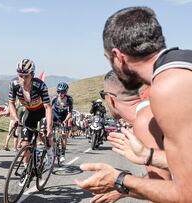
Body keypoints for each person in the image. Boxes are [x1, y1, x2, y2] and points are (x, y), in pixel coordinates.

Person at [75, 7, 192, 202]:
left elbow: (187, 194)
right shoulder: (182, 64)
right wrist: (149, 156)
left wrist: (119, 180)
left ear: (119, 57)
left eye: (109, 60)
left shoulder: (168, 86)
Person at [91, 70, 171, 203]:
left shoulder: (143, 121)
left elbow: (162, 185)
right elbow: (169, 171)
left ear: (110, 98)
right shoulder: (150, 109)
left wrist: (121, 185)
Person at [8, 59, 54, 170]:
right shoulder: (14, 84)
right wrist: (16, 119)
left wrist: (49, 127)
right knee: (25, 143)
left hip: (42, 112)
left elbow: (48, 107)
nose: (23, 79)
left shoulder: (40, 86)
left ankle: (50, 153)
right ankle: (27, 167)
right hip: (29, 112)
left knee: (44, 134)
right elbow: (11, 103)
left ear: (32, 75)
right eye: (20, 76)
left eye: (26, 76)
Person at [51, 82, 73, 163]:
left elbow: (70, 112)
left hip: (64, 117)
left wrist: (65, 121)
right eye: (59, 92)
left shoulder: (69, 99)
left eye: (63, 92)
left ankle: (63, 153)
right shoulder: (54, 98)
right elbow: (49, 109)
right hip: (54, 116)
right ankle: (52, 150)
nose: (60, 94)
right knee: (50, 134)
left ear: (66, 92)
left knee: (64, 135)